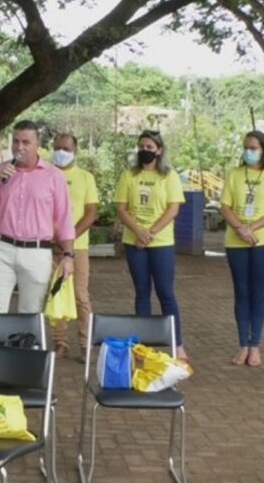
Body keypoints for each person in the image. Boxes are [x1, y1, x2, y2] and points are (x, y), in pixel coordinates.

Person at [0, 120, 74, 315]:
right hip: (2, 249)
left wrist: (68, 256)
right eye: (16, 141)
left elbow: (64, 219)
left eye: (26, 142)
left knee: (31, 312)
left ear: (38, 146)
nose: (20, 147)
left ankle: (25, 346)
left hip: (36, 251)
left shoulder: (53, 176)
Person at [114, 130, 189, 361]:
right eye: (141, 146)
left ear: (159, 150)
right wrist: (138, 232)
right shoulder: (129, 176)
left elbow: (173, 209)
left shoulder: (169, 176)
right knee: (142, 293)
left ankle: (177, 344)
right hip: (134, 242)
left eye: (149, 146)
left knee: (166, 293)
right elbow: (121, 208)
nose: (145, 150)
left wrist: (150, 233)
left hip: (161, 243)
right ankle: (142, 345)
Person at [219, 130, 264, 367]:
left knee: (258, 293)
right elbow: (225, 206)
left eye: (254, 148)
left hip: (263, 242)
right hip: (236, 241)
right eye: (246, 148)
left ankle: (255, 344)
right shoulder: (234, 174)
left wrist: (252, 228)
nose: (249, 152)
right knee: (241, 292)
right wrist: (240, 228)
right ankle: (243, 345)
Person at [50, 132, 98, 359]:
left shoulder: (85, 178)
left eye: (66, 149)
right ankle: (60, 342)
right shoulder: (46, 175)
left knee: (80, 296)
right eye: (57, 147)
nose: (61, 152)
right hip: (49, 246)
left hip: (78, 247)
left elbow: (91, 214)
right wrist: (54, 239)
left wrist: (68, 238)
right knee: (55, 293)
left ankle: (85, 343)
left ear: (75, 151)